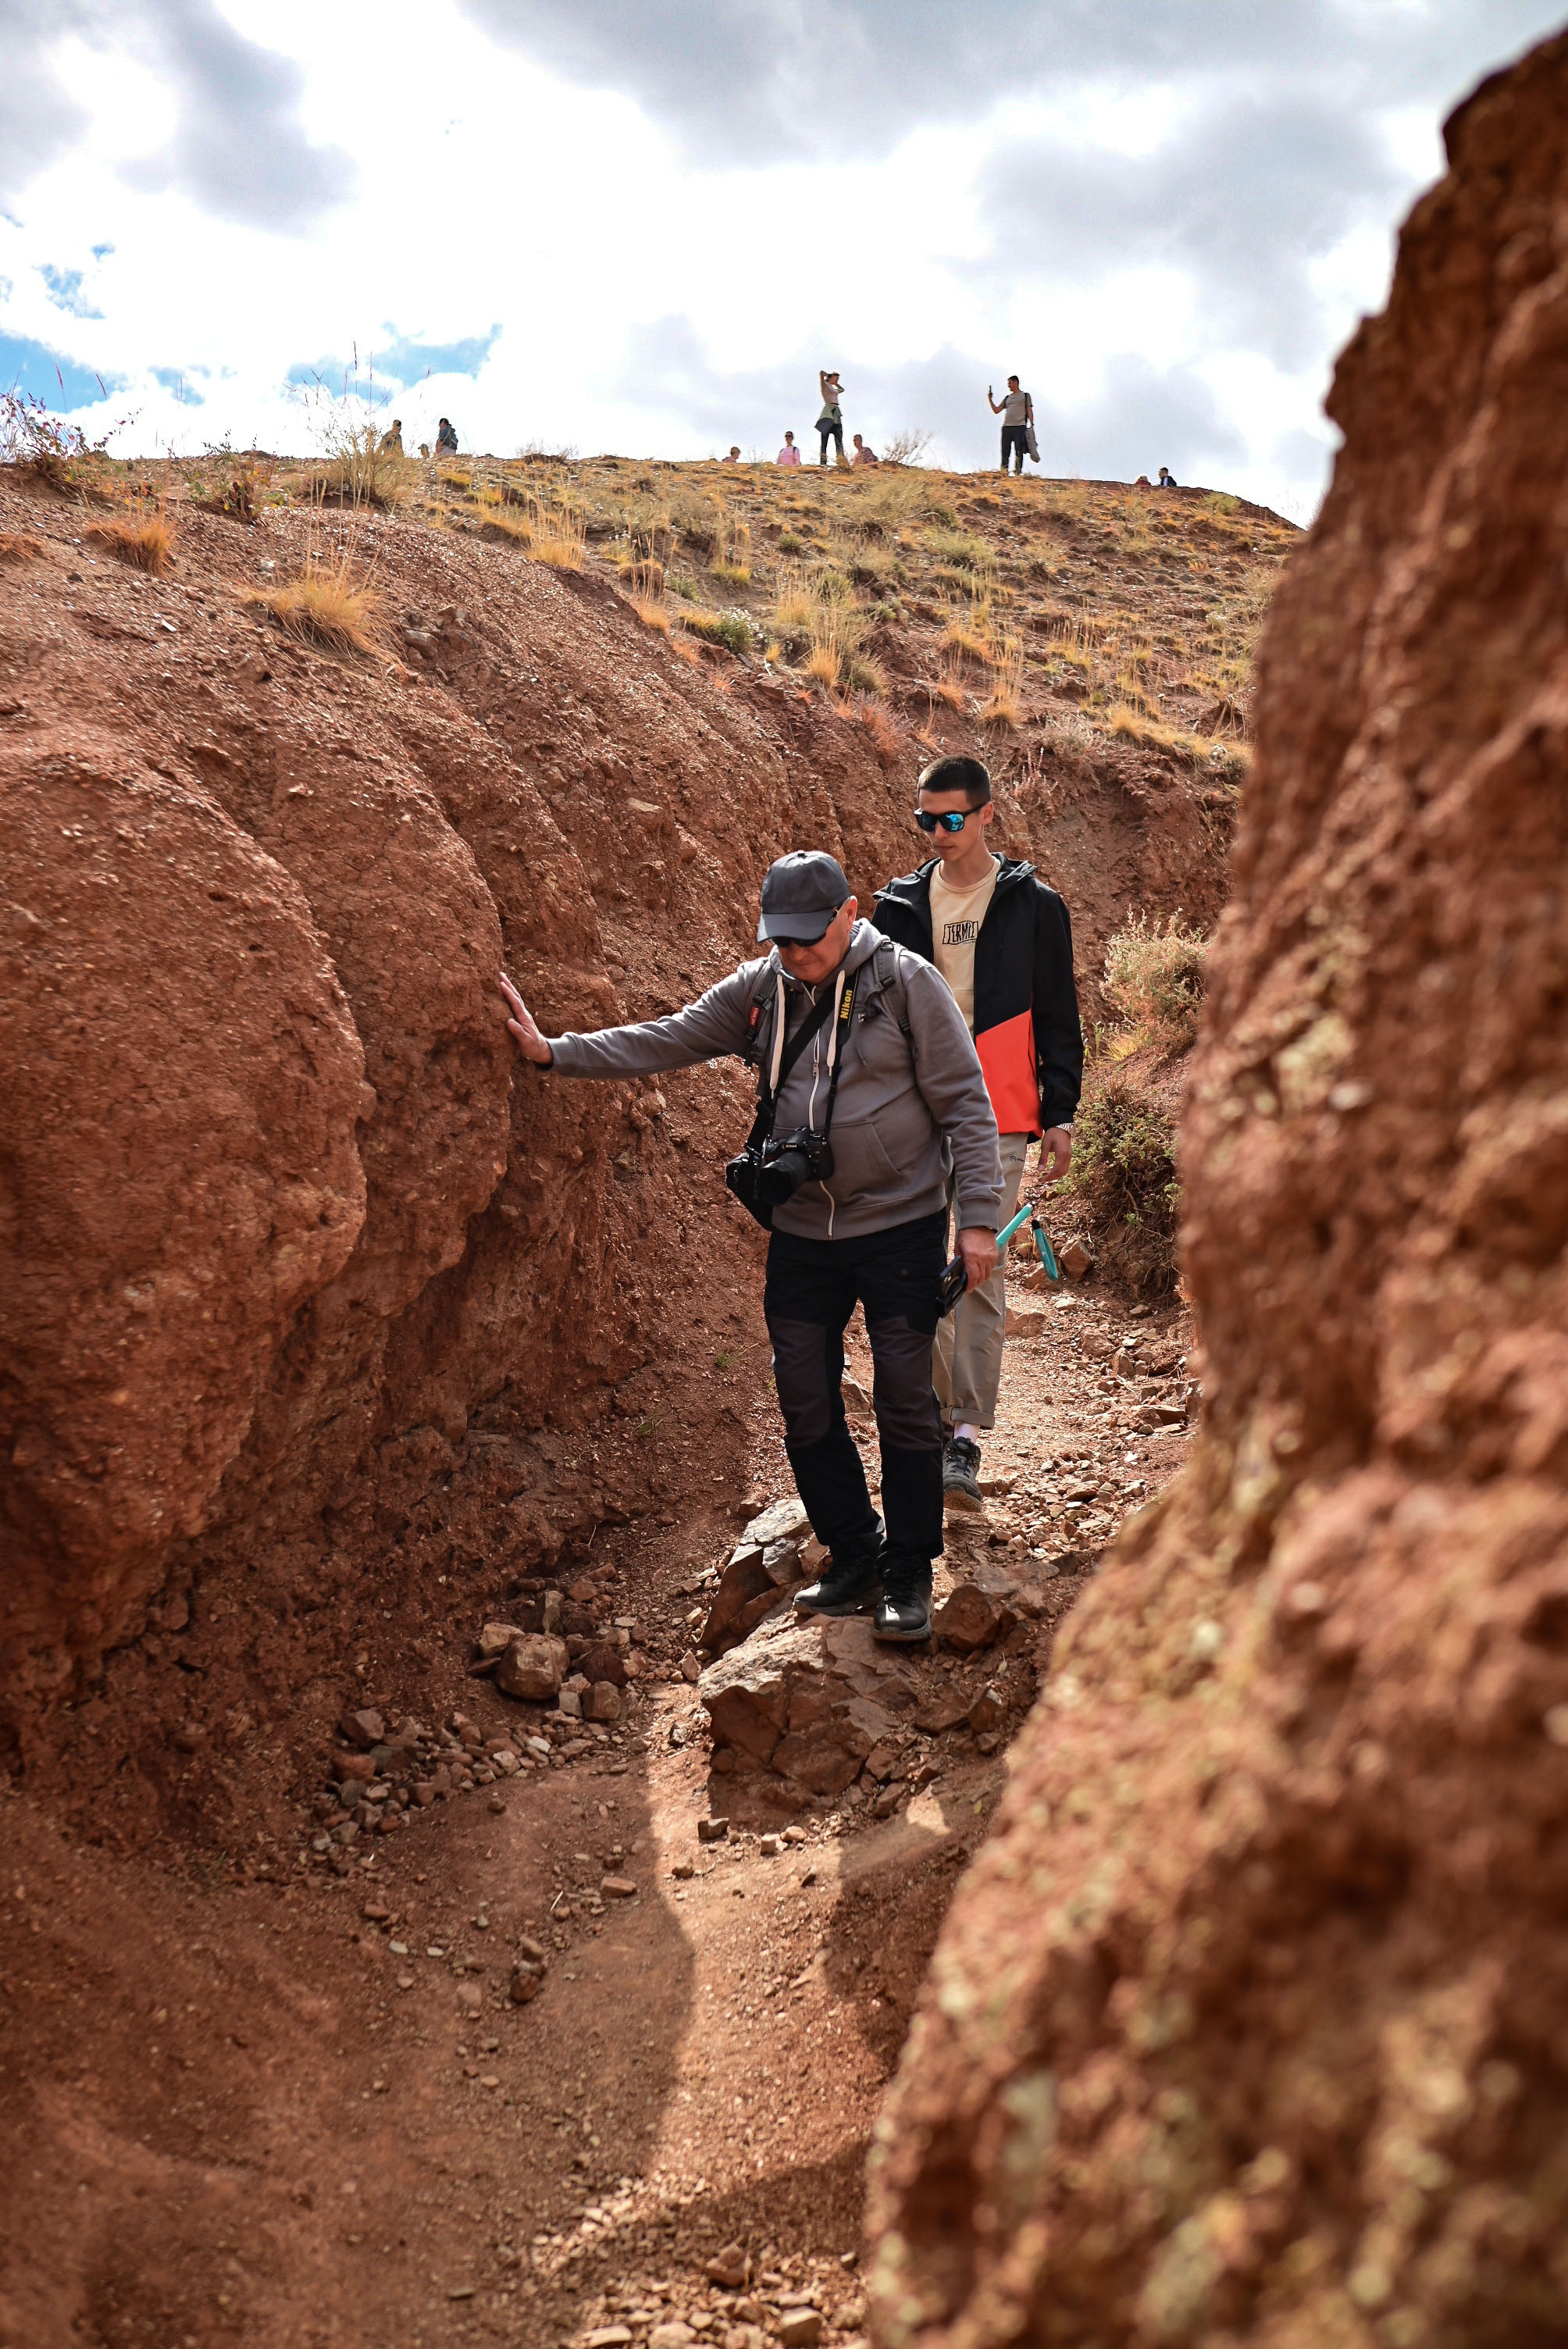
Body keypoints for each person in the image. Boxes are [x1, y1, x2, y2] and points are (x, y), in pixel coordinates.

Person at [499, 850, 1003, 1641]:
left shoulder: (904, 984)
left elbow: (967, 1106)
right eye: (781, 940)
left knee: (906, 1397)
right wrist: (555, 1050)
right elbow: (668, 1037)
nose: (795, 953)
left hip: (901, 1223)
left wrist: (976, 1216)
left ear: (849, 911)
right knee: (803, 1395)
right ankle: (855, 1549)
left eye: (808, 937)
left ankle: (908, 1564)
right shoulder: (762, 988)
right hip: (803, 1230)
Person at [874, 756, 1082, 1512]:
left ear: (987, 814)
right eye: (924, 819)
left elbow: (1058, 1008)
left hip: (999, 1108)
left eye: (951, 819)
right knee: (911, 1267)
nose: (936, 832)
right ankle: (924, 1425)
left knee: (978, 1269)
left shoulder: (1034, 905)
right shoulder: (894, 906)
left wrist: (1059, 1109)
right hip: (908, 1109)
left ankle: (964, 1436)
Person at [987, 376, 1033, 475]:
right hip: (1007, 427)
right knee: (1005, 451)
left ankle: (1017, 472)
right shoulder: (1007, 398)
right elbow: (997, 410)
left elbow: (1029, 410)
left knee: (1019, 450)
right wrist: (990, 399)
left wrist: (1032, 424)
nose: (1008, 386)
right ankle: (1004, 471)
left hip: (1020, 426)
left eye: (1010, 383)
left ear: (1016, 382)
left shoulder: (1025, 396)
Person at [817, 371, 845, 467]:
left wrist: (835, 383)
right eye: (836, 378)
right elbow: (821, 373)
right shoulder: (825, 385)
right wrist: (828, 376)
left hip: (836, 413)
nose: (837, 380)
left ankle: (841, 461)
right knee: (825, 439)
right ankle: (823, 462)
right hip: (828, 412)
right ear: (832, 377)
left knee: (839, 439)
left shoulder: (833, 388)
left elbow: (842, 389)